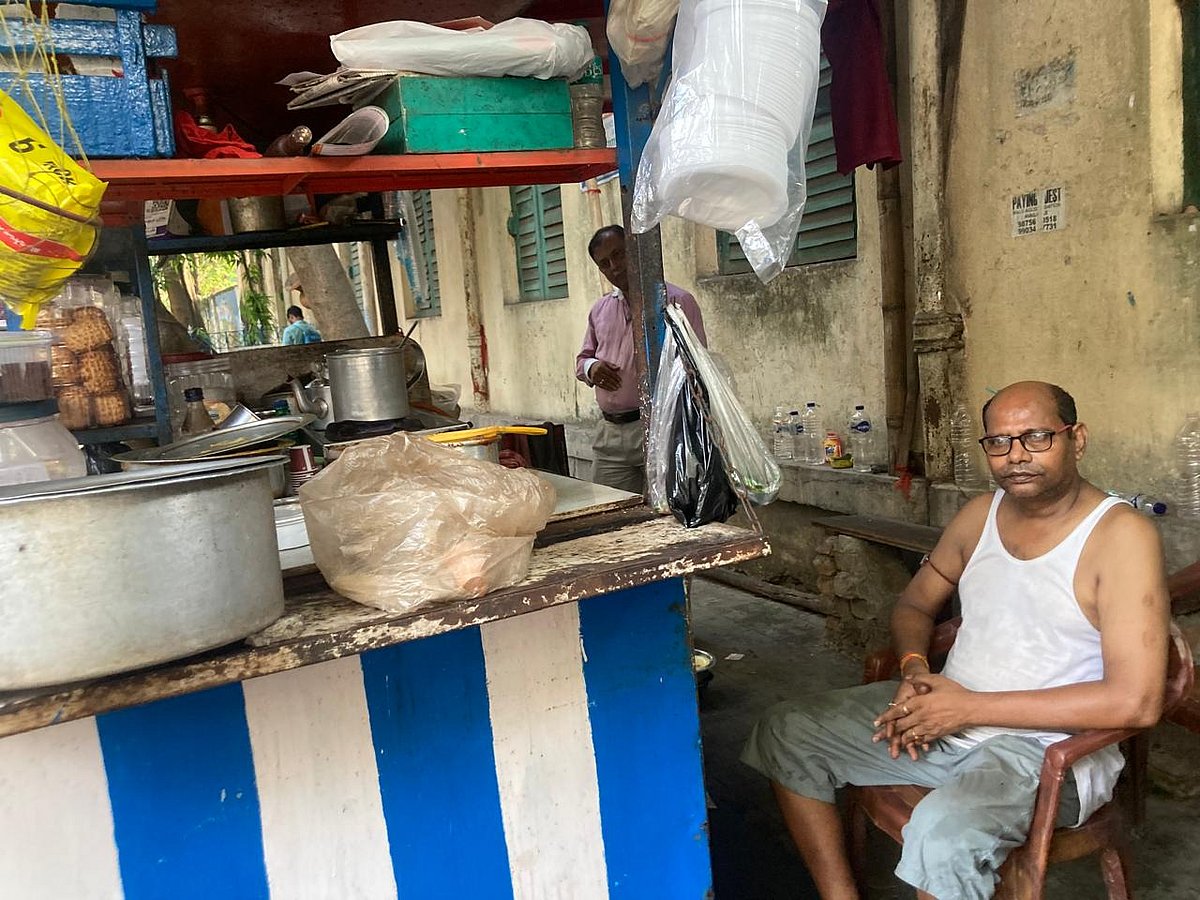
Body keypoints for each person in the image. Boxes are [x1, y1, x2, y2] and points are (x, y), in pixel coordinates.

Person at [742, 381, 1170, 900]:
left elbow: (1137, 701)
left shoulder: (1121, 537)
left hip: (1044, 751)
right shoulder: (979, 516)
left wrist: (968, 709)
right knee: (788, 730)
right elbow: (915, 604)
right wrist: (917, 671)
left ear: (1076, 439)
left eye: (1036, 437)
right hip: (945, 712)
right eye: (999, 442)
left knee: (943, 836)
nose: (1016, 456)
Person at [575, 225, 707, 493]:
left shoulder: (676, 301)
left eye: (619, 254)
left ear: (635, 250)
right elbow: (582, 360)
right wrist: (592, 368)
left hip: (662, 428)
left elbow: (696, 367)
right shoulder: (600, 309)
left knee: (666, 517)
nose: (614, 267)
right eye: (604, 264)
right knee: (609, 512)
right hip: (611, 434)